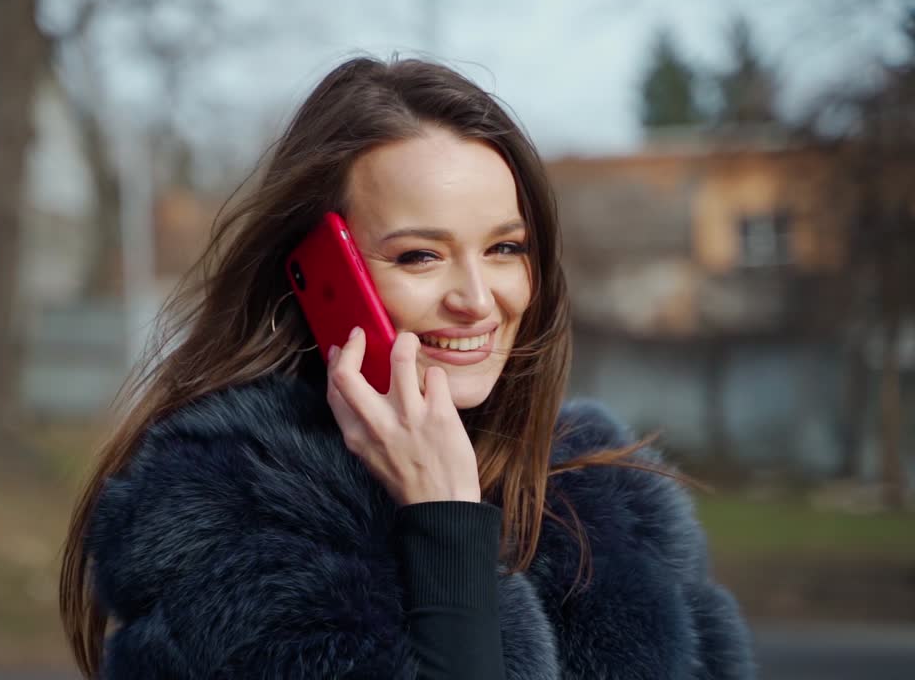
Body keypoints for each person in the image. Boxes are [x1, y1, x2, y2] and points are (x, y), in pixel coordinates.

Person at [59, 56, 754, 679]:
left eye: (506, 248)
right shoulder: (228, 516)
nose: (478, 300)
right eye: (420, 255)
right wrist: (446, 526)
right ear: (316, 275)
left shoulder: (605, 498)